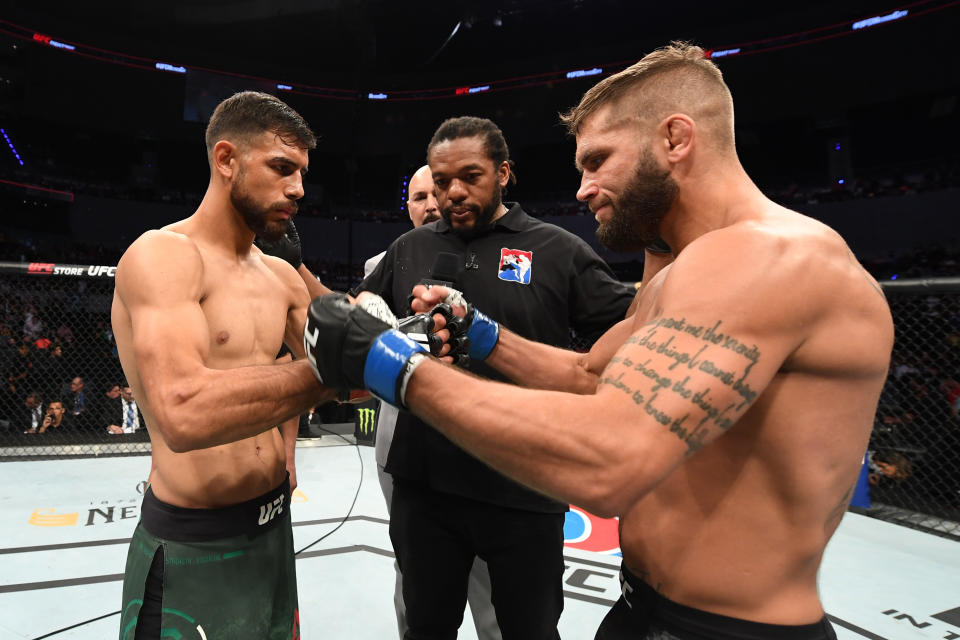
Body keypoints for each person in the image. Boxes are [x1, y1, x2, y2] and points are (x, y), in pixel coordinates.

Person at [304, 43, 895, 640]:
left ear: (676, 138)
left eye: (599, 160)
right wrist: (481, 336)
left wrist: (392, 365)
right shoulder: (680, 271)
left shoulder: (767, 256)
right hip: (645, 605)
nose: (582, 190)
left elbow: (613, 459)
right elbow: (592, 375)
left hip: (729, 628)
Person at [354, 116, 634, 640]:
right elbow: (361, 306)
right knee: (424, 628)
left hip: (524, 487)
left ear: (504, 173)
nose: (452, 193)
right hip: (424, 484)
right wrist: (374, 316)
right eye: (440, 181)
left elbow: (634, 329)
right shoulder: (409, 249)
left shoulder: (557, 250)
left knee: (528, 631)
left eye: (470, 176)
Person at [111, 90, 336, 640]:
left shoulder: (283, 277)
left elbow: (350, 383)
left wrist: (406, 344)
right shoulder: (163, 256)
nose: (298, 189)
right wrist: (334, 371)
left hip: (273, 528)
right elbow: (183, 415)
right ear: (227, 160)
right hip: (193, 540)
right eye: (282, 168)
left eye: (302, 173)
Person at [364, 164, 503, 640]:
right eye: (418, 196)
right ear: (408, 206)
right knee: (415, 564)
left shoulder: (486, 257)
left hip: (484, 441)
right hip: (404, 439)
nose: (429, 204)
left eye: (435, 194)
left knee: (489, 578)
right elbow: (349, 316)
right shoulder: (389, 261)